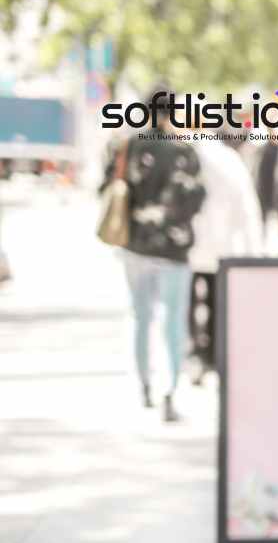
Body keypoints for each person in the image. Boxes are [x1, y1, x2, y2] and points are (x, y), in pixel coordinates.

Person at [100, 88, 206, 422]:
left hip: (136, 245)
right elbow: (196, 198)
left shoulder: (128, 146)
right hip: (173, 248)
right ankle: (169, 391)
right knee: (173, 320)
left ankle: (144, 384)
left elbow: (107, 188)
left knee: (141, 316)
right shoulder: (184, 151)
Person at [188, 128, 263, 383]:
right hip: (222, 244)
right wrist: (254, 248)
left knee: (188, 303)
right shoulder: (229, 158)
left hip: (188, 243)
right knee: (216, 302)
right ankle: (213, 355)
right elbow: (247, 205)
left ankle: (195, 353)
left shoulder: (187, 152)